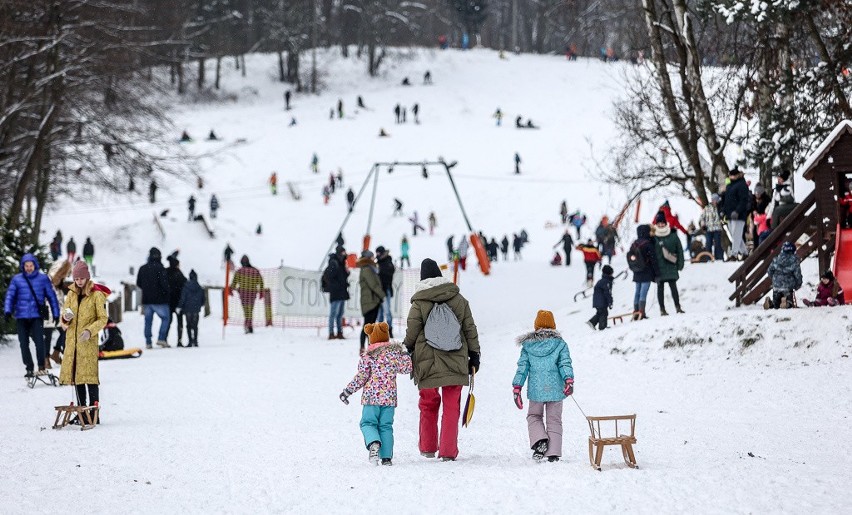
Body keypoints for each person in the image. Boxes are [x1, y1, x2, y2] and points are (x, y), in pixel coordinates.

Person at [403, 258, 480, 461]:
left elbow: (412, 331)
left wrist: (407, 349)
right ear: (439, 275)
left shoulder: (419, 302)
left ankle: (428, 447)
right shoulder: (458, 299)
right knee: (451, 406)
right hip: (456, 359)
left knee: (428, 403)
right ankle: (447, 451)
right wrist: (475, 355)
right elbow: (469, 329)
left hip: (426, 361)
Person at [339, 322, 412, 466]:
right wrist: (404, 353)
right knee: (386, 426)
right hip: (389, 400)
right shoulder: (394, 354)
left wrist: (348, 391)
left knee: (367, 423)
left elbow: (361, 377)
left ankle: (373, 443)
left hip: (371, 399)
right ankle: (386, 458)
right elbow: (407, 368)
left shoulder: (368, 357)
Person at [512, 310, 574, 461]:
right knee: (554, 419)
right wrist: (568, 380)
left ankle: (540, 440)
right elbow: (564, 363)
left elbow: (522, 367)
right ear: (553, 325)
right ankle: (553, 452)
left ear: (536, 325)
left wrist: (517, 387)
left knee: (534, 415)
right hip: (556, 389)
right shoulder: (560, 344)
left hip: (536, 390)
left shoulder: (528, 346)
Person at [59, 261, 108, 424]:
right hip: (73, 341)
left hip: (87, 342)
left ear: (87, 277)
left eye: (82, 278)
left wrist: (90, 330)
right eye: (76, 278)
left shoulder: (96, 294)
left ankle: (94, 413)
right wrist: (65, 318)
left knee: (90, 377)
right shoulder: (71, 294)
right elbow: (67, 310)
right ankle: (81, 411)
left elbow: (102, 318)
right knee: (77, 377)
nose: (79, 281)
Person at [4, 253, 60, 377]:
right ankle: (29, 367)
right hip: (21, 316)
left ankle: (41, 365)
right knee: (23, 343)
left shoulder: (43, 279)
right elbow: (10, 296)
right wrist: (7, 311)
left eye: (31, 265)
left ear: (35, 266)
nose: (29, 268)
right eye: (26, 266)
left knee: (40, 342)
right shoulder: (17, 279)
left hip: (36, 316)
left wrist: (56, 314)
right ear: (23, 267)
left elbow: (52, 297)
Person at [136, 247, 171, 349]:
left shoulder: (142, 268)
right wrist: (167, 293)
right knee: (165, 318)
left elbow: (139, 283)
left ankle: (148, 341)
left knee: (148, 321)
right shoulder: (161, 268)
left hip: (147, 299)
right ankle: (161, 338)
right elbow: (165, 285)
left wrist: (147, 289)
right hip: (160, 300)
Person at [653, 212, 685, 315]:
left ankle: (678, 307)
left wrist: (680, 264)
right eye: (659, 223)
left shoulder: (673, 235)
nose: (661, 225)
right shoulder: (653, 237)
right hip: (659, 268)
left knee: (673, 288)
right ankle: (662, 309)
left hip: (671, 266)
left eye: (662, 222)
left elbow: (679, 250)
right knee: (660, 289)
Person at [628, 225, 659, 320]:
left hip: (637, 271)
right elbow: (654, 260)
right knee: (643, 291)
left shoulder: (634, 244)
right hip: (646, 271)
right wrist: (657, 273)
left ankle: (636, 310)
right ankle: (642, 311)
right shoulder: (648, 244)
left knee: (637, 291)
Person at [357, 250, 385, 354]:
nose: (374, 258)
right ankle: (363, 347)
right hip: (369, 301)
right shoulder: (367, 269)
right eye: (372, 256)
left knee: (371, 325)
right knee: (368, 325)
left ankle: (370, 346)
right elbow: (373, 285)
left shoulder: (370, 268)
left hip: (373, 300)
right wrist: (382, 295)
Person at [45, 260, 72, 367]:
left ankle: (56, 352)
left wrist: (69, 314)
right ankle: (46, 359)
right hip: (47, 314)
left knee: (66, 332)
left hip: (59, 315)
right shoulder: (46, 285)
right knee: (47, 336)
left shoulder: (59, 288)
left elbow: (62, 303)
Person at [230, 255, 264, 334]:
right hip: (252, 294)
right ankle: (249, 325)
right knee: (250, 310)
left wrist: (233, 289)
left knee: (246, 310)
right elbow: (261, 282)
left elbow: (234, 283)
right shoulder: (255, 271)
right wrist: (261, 291)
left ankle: (247, 325)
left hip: (243, 294)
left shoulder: (239, 271)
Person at [722, 168, 750, 260]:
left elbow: (743, 200)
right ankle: (745, 252)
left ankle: (734, 254)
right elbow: (726, 201)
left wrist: (737, 211)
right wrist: (724, 211)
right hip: (730, 214)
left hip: (739, 215)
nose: (730, 177)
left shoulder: (742, 185)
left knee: (736, 234)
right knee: (734, 235)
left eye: (732, 175)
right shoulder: (729, 186)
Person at [764, 242, 802, 309]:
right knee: (789, 302)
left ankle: (770, 304)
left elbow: (769, 271)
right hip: (788, 286)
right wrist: (798, 284)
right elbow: (797, 274)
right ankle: (787, 302)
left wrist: (774, 278)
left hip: (776, 285)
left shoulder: (776, 259)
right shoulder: (794, 260)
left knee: (777, 305)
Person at [323, 246, 350, 339]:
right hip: (336, 293)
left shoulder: (341, 263)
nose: (344, 254)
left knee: (340, 314)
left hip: (342, 292)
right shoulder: (334, 263)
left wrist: (347, 272)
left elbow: (342, 277)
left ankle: (339, 332)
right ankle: (331, 333)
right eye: (343, 252)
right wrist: (336, 286)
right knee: (333, 314)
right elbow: (329, 276)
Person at [177, 269, 205, 347]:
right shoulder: (200, 287)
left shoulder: (186, 287)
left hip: (187, 308)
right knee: (195, 326)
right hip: (196, 309)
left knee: (188, 325)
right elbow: (203, 299)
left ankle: (190, 341)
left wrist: (179, 306)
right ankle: (195, 341)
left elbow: (183, 298)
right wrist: (200, 305)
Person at [166, 253, 187, 347]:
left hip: (168, 302)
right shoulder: (179, 274)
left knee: (168, 322)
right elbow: (185, 286)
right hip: (178, 302)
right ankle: (179, 340)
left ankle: (164, 339)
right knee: (180, 322)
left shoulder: (165, 272)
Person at [376, 246, 395, 337]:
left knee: (387, 311)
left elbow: (389, 273)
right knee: (379, 312)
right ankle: (380, 330)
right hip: (379, 291)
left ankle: (389, 329)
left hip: (385, 289)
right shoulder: (378, 263)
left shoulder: (388, 262)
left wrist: (379, 272)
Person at [587, 265, 614, 330]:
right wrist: (610, 302)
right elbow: (607, 293)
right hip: (601, 302)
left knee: (600, 313)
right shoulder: (606, 282)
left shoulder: (603, 280)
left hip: (597, 301)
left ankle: (593, 322)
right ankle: (602, 327)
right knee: (604, 313)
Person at [699, 194, 724, 261]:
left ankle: (719, 258)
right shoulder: (707, 208)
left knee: (718, 244)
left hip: (717, 228)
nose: (715, 201)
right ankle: (708, 258)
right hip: (709, 229)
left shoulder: (720, 208)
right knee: (708, 244)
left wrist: (723, 222)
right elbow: (702, 218)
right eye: (714, 199)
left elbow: (723, 218)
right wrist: (703, 225)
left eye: (716, 200)